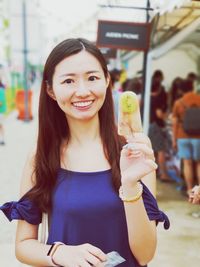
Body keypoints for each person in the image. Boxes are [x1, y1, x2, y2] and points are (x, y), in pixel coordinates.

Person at [0, 38, 169, 267]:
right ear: (50, 89)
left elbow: (145, 254)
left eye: (92, 78)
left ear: (107, 81)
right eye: (68, 81)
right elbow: (23, 245)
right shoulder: (41, 156)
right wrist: (58, 253)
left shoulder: (134, 150)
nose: (82, 91)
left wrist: (130, 186)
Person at [172, 79, 200, 196]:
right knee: (199, 163)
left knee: (187, 163)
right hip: (198, 136)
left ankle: (190, 190)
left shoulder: (179, 102)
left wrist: (174, 139)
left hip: (182, 136)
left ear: (180, 90)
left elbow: (174, 122)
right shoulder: (198, 99)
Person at [148, 70, 172, 182]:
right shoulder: (159, 98)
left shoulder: (148, 96)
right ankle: (164, 174)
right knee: (161, 150)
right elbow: (159, 114)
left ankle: (156, 172)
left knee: (154, 150)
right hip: (157, 125)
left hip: (150, 124)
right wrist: (166, 117)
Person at [0, 78, 6, 145]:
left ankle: (3, 139)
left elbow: (1, 103)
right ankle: (2, 139)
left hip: (0, 111)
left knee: (0, 125)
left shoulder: (1, 91)